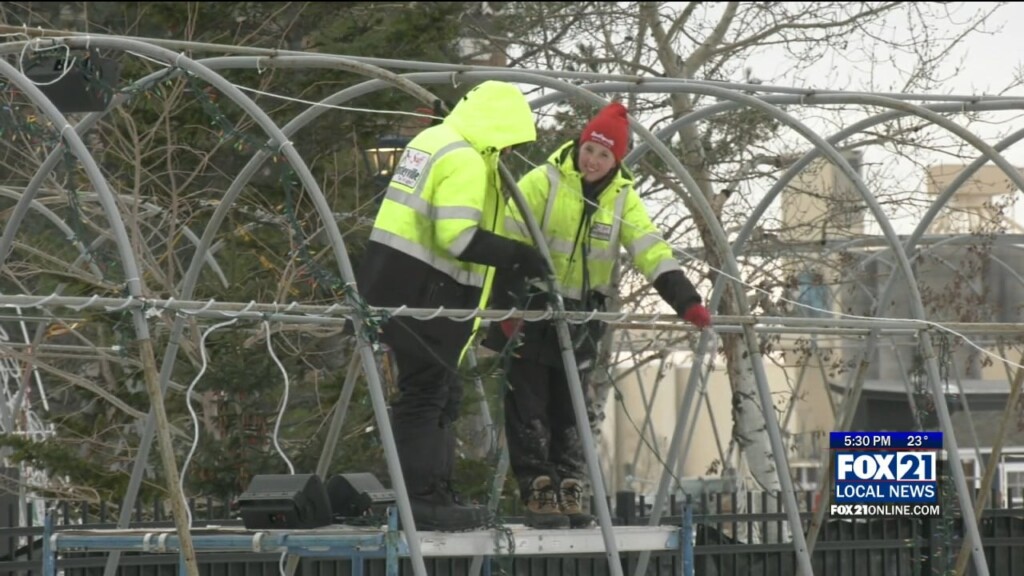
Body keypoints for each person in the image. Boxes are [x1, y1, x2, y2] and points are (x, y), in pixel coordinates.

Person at [483, 101, 712, 529]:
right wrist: (506, 304)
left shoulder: (621, 197)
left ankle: (570, 485)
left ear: (616, 161)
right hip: (532, 308)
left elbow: (650, 250)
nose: (592, 160)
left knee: (570, 404)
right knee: (528, 402)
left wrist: (687, 301)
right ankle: (538, 489)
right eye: (590, 149)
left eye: (604, 155)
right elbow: (506, 237)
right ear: (580, 144)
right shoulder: (545, 181)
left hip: (582, 313)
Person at [356, 81, 551, 532]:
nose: (507, 153)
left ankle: (434, 492)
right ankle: (422, 498)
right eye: (510, 143)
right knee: (428, 394)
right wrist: (518, 256)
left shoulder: (433, 141)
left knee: (440, 393)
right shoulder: (465, 158)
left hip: (396, 283)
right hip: (429, 292)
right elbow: (457, 236)